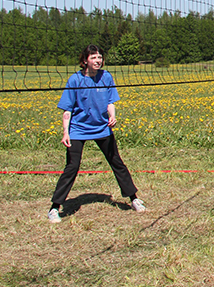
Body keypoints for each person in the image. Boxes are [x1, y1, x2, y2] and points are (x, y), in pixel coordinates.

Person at [48, 44, 145, 223]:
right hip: (78, 129)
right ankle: (55, 208)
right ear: (85, 60)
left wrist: (112, 116)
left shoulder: (106, 76)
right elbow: (67, 110)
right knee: (72, 167)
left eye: (100, 57)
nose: (97, 60)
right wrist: (65, 132)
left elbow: (110, 102)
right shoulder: (75, 80)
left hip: (101, 128)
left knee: (116, 161)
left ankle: (134, 199)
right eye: (93, 57)